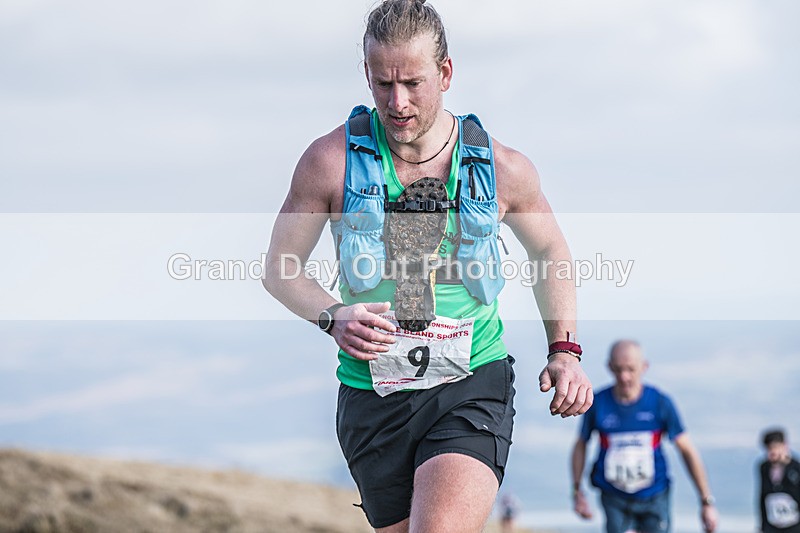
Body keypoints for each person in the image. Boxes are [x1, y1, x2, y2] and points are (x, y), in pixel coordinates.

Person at [262, 1, 593, 531]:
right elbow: (280, 268)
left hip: (470, 381)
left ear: (446, 72)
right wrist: (333, 315)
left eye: (413, 83)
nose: (397, 102)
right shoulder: (330, 162)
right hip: (374, 395)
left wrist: (565, 351)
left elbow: (550, 251)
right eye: (381, 84)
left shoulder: (504, 169)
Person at [570, 340, 717, 533]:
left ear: (644, 367)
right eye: (618, 369)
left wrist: (706, 501)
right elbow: (581, 444)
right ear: (609, 367)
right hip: (613, 496)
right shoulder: (598, 403)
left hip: (654, 496)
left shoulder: (660, 403)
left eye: (631, 369)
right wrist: (577, 490)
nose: (624, 377)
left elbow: (687, 450)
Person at [758, 428, 800, 533]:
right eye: (768, 448)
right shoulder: (764, 467)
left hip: (794, 525)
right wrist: (762, 525)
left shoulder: (796, 468)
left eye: (775, 447)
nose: (772, 452)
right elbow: (762, 496)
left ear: (784, 445)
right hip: (772, 526)